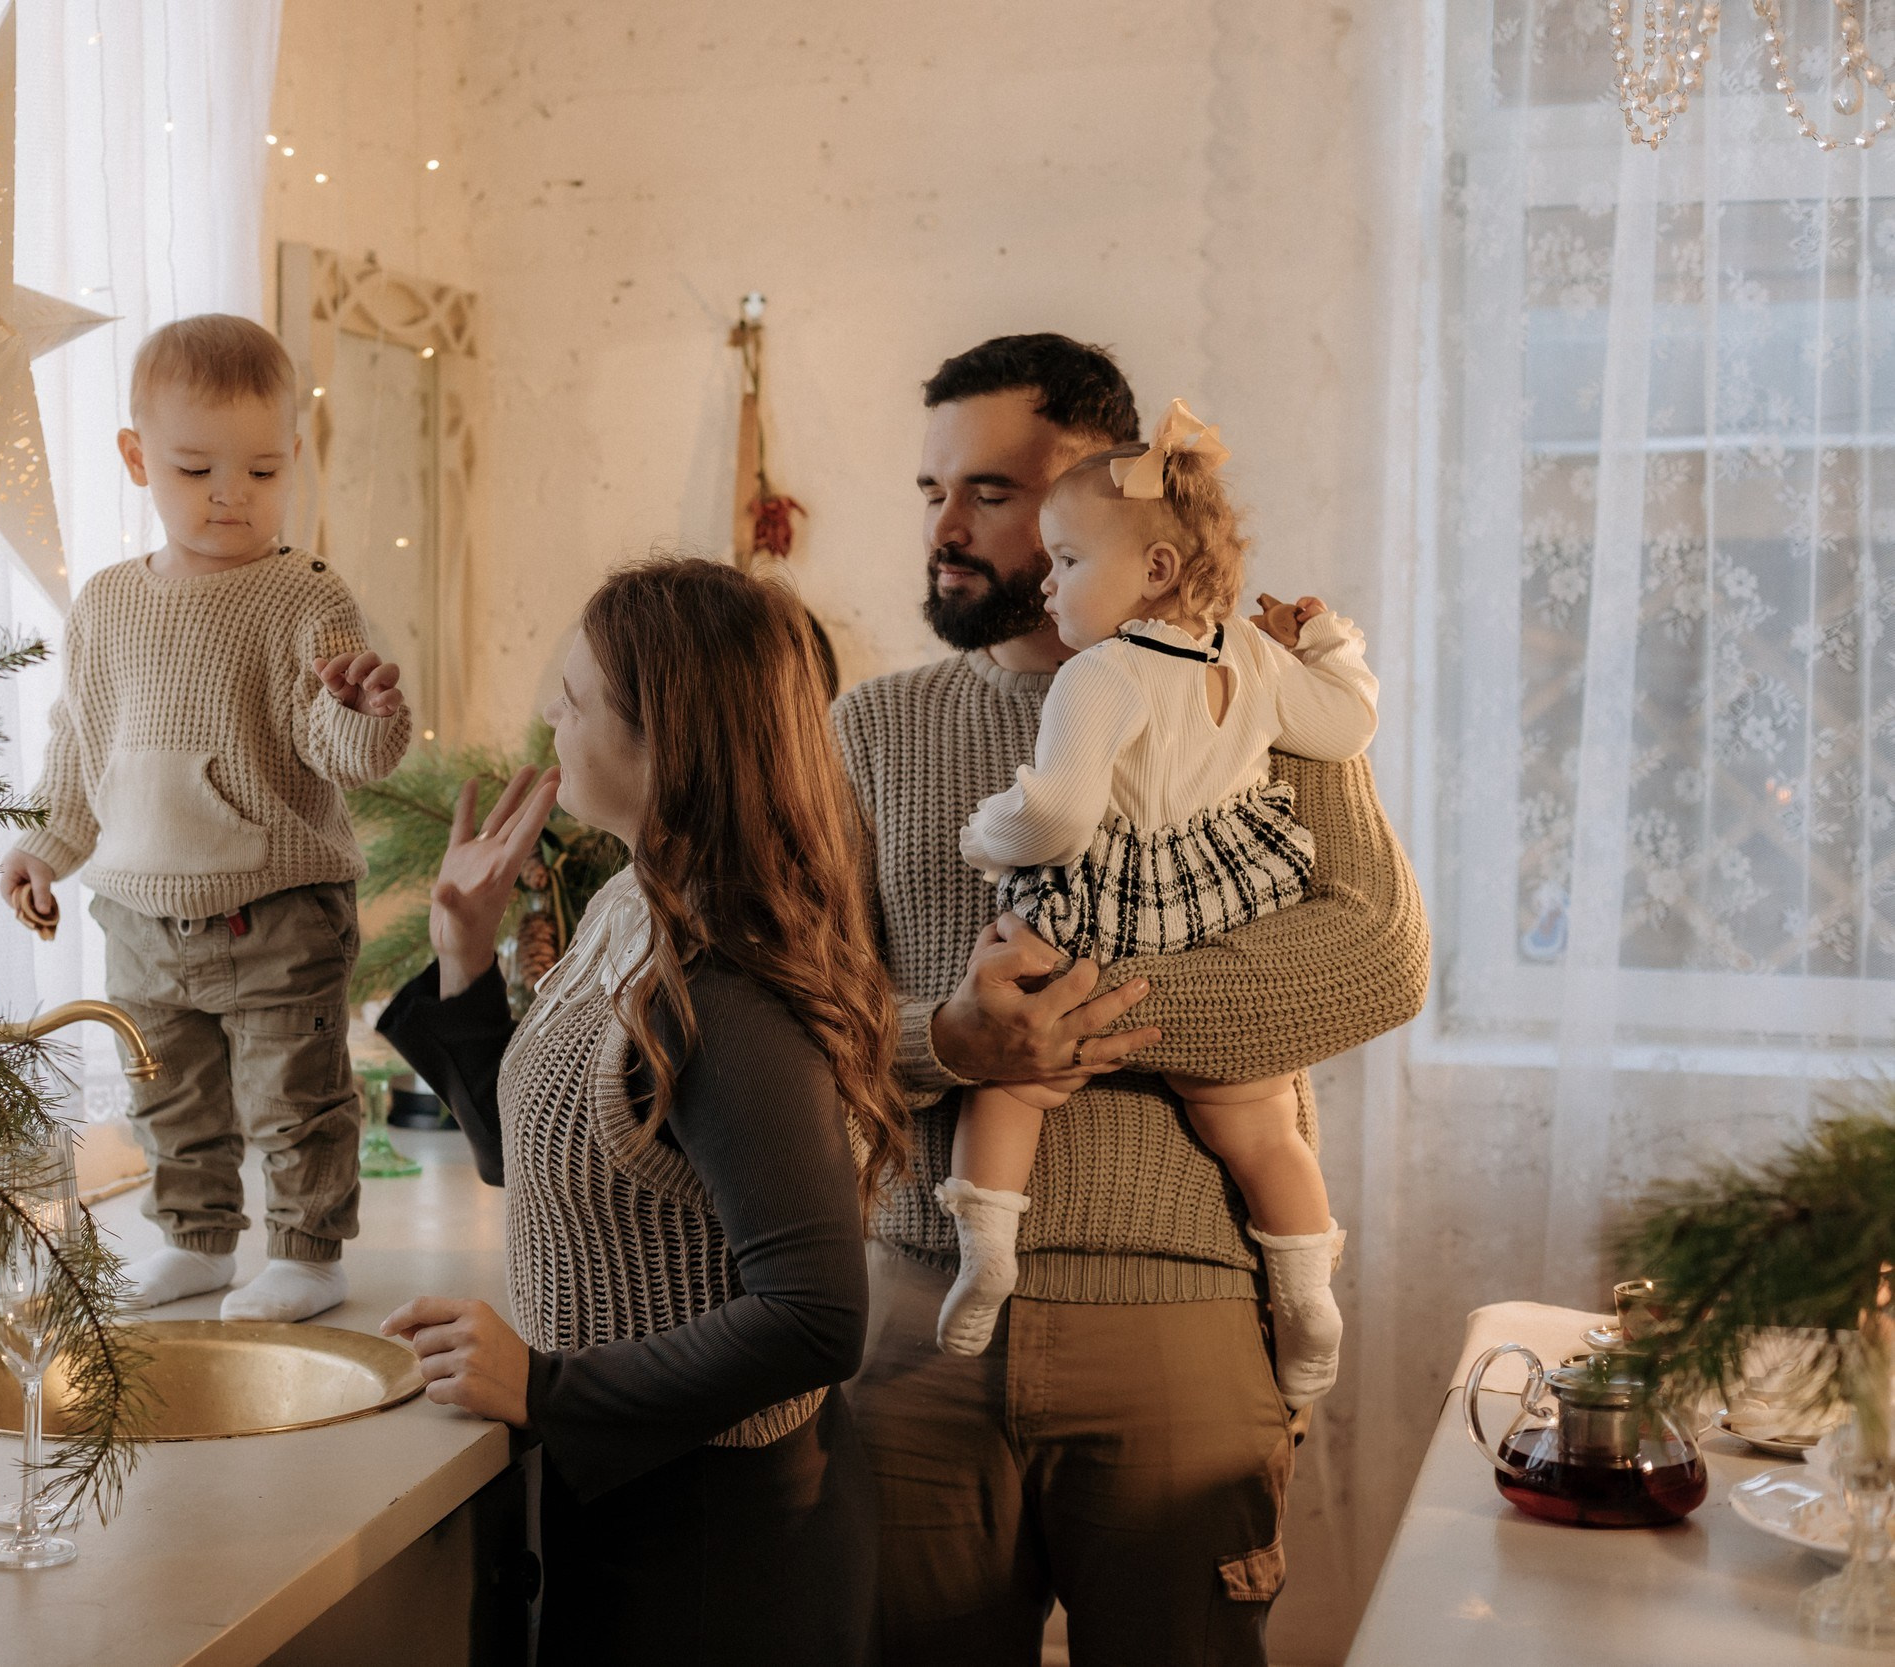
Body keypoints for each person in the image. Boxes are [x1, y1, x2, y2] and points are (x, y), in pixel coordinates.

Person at [834, 335, 1429, 1666]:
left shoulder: (1250, 687)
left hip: (1182, 1323)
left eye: (990, 492)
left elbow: (1378, 956)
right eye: (931, 488)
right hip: (921, 1325)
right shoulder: (869, 729)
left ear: (1110, 505)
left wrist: (1066, 1015)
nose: (945, 527)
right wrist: (949, 1035)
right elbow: (795, 1012)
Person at [374, 558, 902, 1666]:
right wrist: (461, 959)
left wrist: (546, 1382)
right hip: (635, 1495)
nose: (547, 722)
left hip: (722, 1543)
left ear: (664, 739)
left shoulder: (721, 975)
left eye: (572, 701)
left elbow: (817, 1313)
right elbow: (541, 1157)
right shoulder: (633, 896)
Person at [935, 399, 1378, 1409]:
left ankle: (987, 1251)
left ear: (1157, 571)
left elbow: (1057, 812)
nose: (1047, 585)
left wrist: (985, 830)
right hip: (1221, 905)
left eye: (1066, 562)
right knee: (1261, 1124)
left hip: (1110, 908)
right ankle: (1307, 1292)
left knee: (1009, 1082)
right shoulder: (1254, 657)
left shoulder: (1098, 675)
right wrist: (1325, 641)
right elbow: (1347, 725)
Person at [0, 313, 411, 1324]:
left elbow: (342, 751)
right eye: (195, 469)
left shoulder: (303, 594)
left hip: (275, 908)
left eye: (262, 472)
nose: (230, 494)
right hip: (138, 912)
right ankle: (195, 1239)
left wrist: (364, 712)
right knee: (169, 1093)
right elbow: (79, 743)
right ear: (137, 458)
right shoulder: (104, 603)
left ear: (292, 459)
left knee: (293, 1091)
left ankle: (309, 1253)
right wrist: (46, 846)